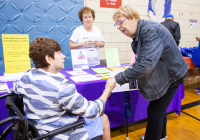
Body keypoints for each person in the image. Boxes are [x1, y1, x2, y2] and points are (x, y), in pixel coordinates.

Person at [10, 37, 115, 140]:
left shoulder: (26, 76)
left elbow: (13, 93)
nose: (64, 56)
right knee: (103, 118)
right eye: (59, 53)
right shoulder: (61, 86)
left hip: (36, 133)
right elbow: (94, 111)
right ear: (49, 59)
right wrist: (107, 90)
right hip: (57, 134)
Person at [111, 6, 188, 140]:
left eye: (120, 22)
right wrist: (135, 66)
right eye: (116, 24)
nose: (118, 27)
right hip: (167, 74)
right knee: (158, 110)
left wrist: (118, 78)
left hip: (172, 75)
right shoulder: (140, 32)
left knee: (155, 111)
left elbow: (146, 65)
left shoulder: (149, 30)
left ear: (132, 19)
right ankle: (161, 136)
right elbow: (147, 57)